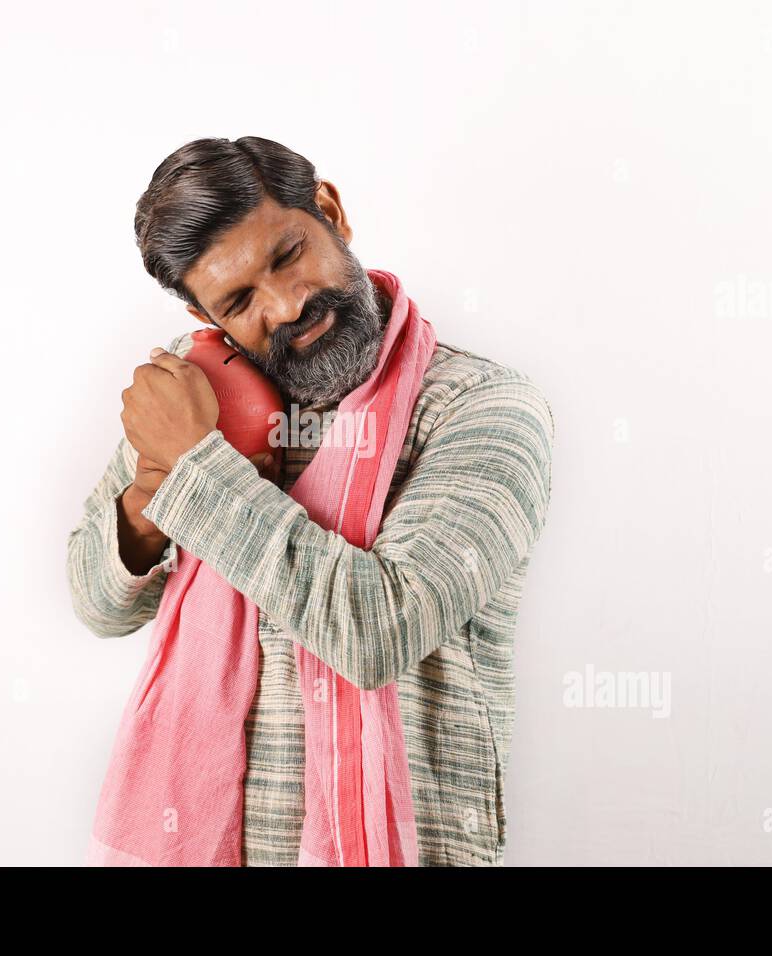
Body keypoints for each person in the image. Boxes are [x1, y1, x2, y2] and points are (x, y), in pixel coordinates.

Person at [66, 136, 555, 866]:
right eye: (239, 301)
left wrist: (196, 468)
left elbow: (378, 630)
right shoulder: (201, 394)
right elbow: (99, 602)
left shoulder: (484, 409)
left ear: (329, 210)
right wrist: (150, 486)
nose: (289, 304)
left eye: (287, 254)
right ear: (210, 318)